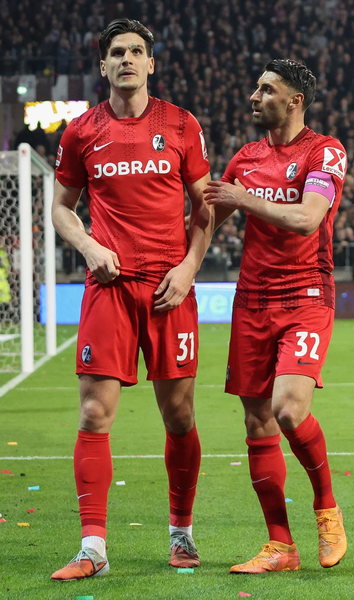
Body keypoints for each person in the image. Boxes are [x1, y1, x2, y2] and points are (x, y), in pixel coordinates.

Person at [50, 19, 212, 580]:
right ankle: (92, 548)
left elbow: (204, 209)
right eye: (116, 52)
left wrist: (190, 267)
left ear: (150, 63)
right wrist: (90, 247)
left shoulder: (182, 125)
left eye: (136, 52)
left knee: (179, 414)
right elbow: (61, 208)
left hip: (169, 291)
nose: (126, 60)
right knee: (94, 413)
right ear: (103, 66)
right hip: (109, 288)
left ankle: (182, 533)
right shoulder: (81, 131)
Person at [205, 59, 347, 574]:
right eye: (255, 87)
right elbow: (207, 220)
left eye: (266, 89)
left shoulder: (325, 150)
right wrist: (182, 268)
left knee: (288, 408)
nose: (254, 96)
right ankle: (280, 546)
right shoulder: (245, 159)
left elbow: (309, 218)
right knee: (257, 420)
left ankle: (326, 508)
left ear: (294, 101)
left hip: (306, 295)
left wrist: (244, 199)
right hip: (252, 303)